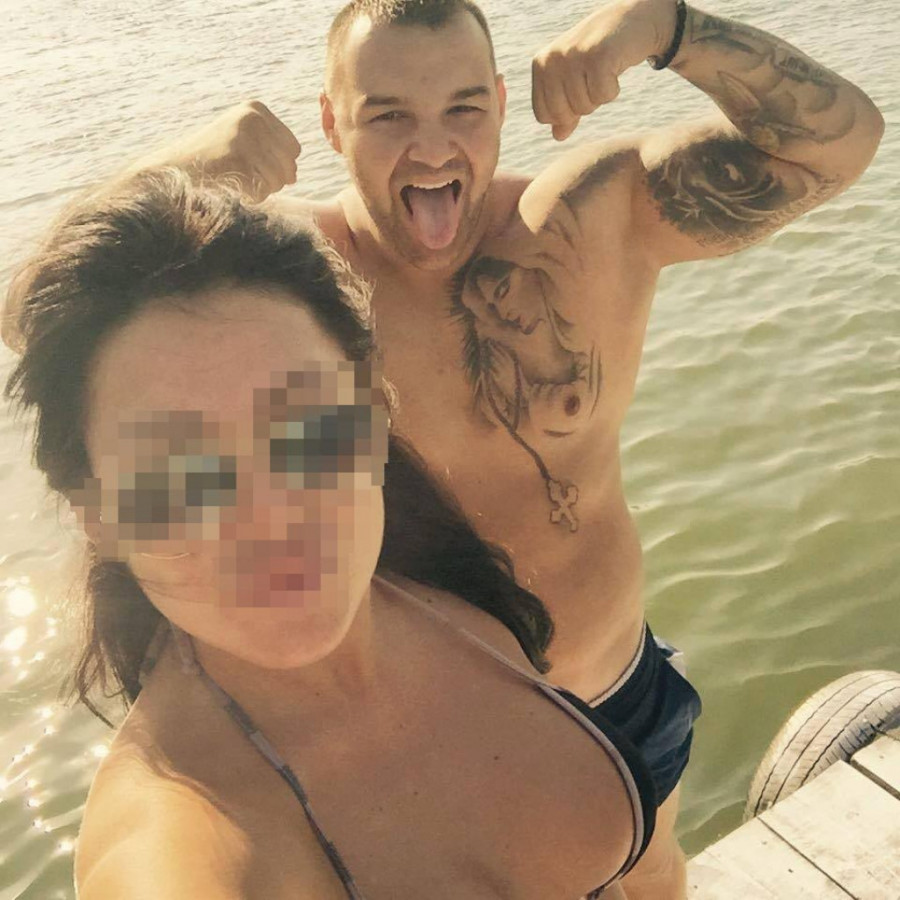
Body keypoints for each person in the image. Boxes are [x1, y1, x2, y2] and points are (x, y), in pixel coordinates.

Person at [2, 1, 884, 896]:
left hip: (611, 683)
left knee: (653, 874)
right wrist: (177, 174)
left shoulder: (587, 225)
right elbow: (48, 327)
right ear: (332, 124)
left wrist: (670, 28)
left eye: (462, 108)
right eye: (388, 115)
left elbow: (832, 149)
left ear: (501, 104)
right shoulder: (293, 295)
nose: (431, 149)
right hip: (419, 740)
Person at [4, 169, 659, 899]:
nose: (271, 515)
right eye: (178, 472)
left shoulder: (434, 581)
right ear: (97, 515)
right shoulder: (179, 843)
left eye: (306, 429)